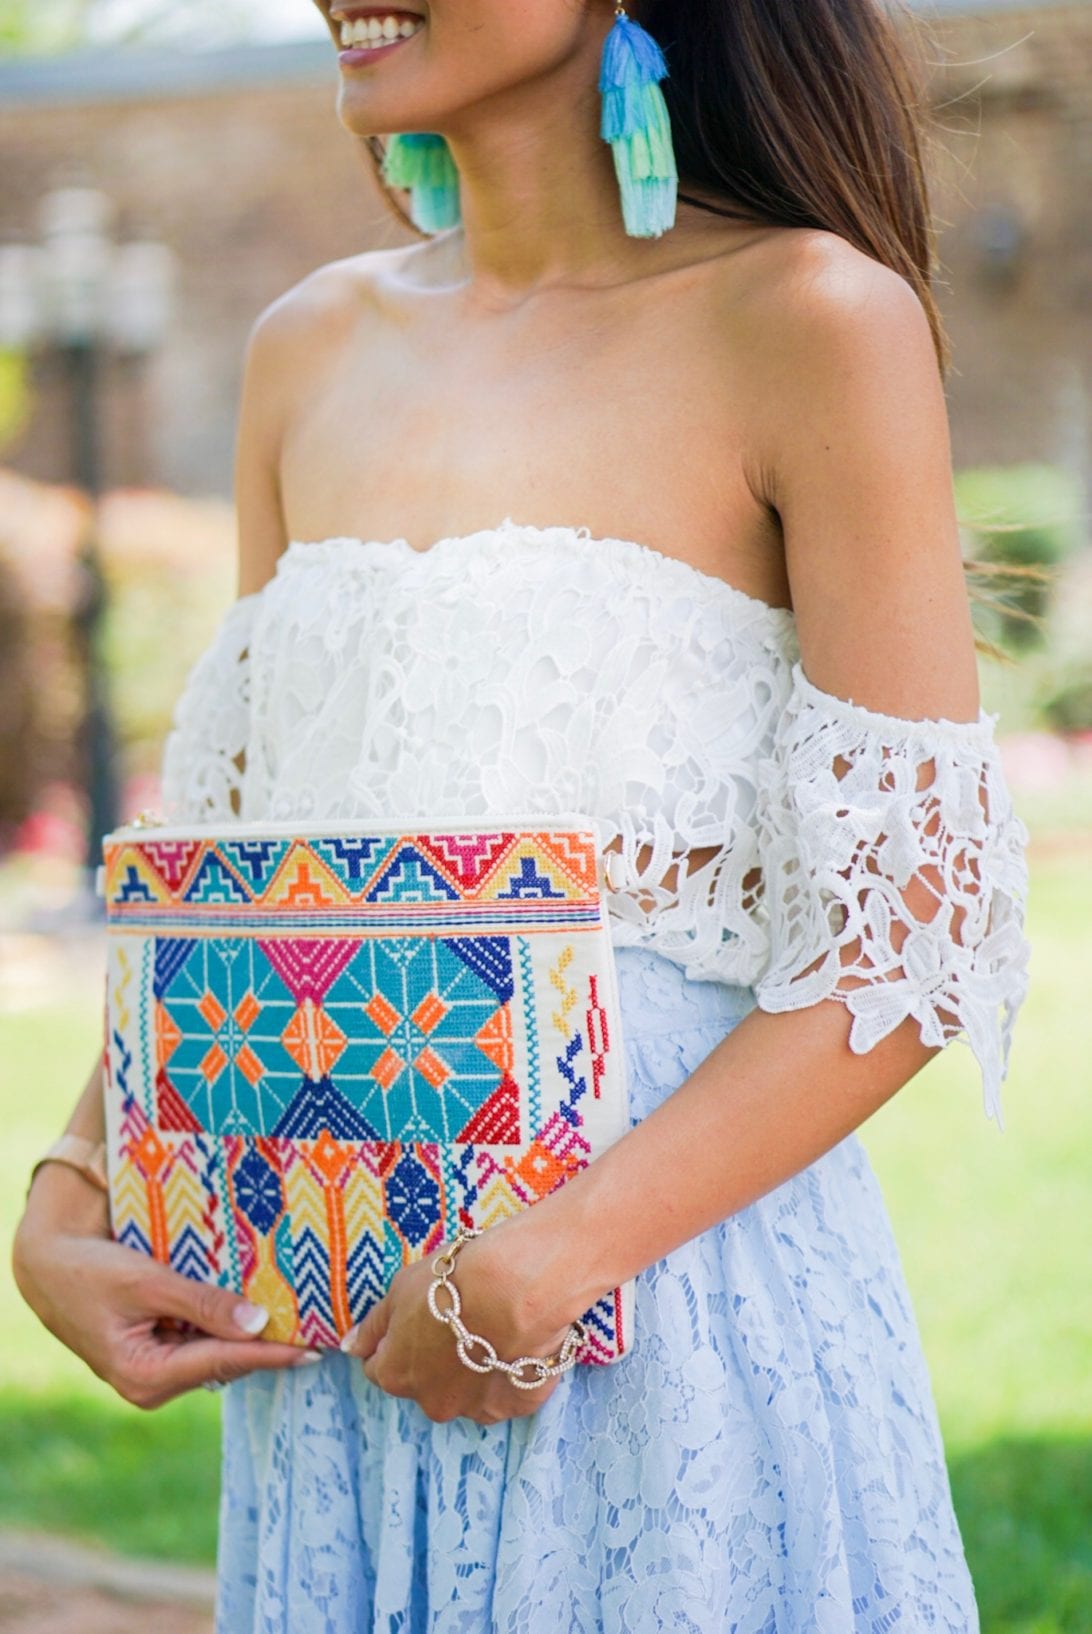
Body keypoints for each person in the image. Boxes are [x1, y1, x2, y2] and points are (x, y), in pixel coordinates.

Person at [13, 1, 1031, 1629]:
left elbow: (907, 940)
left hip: (671, 1321)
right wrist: (67, 1193)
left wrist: (545, 1261)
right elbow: (259, 886)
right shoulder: (305, 350)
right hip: (336, 1334)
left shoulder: (814, 317)